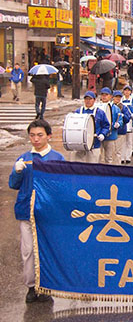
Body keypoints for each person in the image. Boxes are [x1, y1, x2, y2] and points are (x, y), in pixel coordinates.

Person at [8, 119, 65, 303]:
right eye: (32, 135)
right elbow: (13, 185)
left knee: (47, 249)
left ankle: (47, 286)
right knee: (28, 251)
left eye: (40, 135)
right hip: (26, 212)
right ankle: (31, 287)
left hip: (48, 214)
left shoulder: (57, 159)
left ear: (49, 136)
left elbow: (64, 186)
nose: (36, 139)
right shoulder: (24, 158)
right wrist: (17, 172)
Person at [73, 91, 110, 163]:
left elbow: (106, 126)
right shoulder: (78, 111)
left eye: (90, 99)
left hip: (94, 145)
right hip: (80, 146)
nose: (88, 101)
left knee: (93, 167)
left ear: (94, 100)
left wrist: (103, 134)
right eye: (86, 99)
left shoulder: (100, 112)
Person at [98, 88, 123, 164]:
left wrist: (118, 124)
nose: (104, 96)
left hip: (111, 136)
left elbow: (120, 120)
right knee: (99, 157)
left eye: (106, 95)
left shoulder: (115, 108)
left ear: (111, 96)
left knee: (109, 157)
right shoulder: (97, 107)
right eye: (102, 94)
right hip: (99, 136)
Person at [112, 90, 131, 165]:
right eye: (116, 97)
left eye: (119, 97)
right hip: (111, 132)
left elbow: (127, 118)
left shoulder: (124, 107)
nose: (118, 98)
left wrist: (123, 116)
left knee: (118, 151)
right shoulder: (110, 106)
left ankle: (117, 165)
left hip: (120, 131)